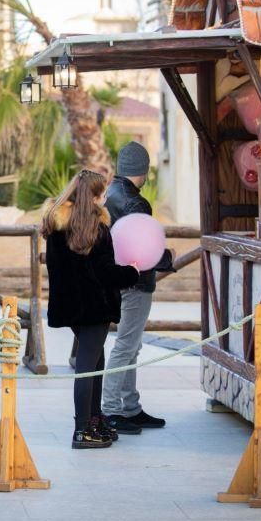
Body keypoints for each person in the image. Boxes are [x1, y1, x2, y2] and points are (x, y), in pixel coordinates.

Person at [42, 170, 139, 449]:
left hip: (71, 305)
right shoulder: (96, 229)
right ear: (95, 197)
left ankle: (95, 420)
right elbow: (105, 272)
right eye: (104, 193)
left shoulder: (57, 228)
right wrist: (131, 272)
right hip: (95, 306)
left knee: (95, 362)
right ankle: (83, 429)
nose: (106, 197)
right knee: (87, 367)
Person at [101, 141, 172, 434]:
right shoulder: (135, 201)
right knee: (126, 346)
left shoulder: (111, 194)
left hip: (120, 279)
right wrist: (166, 258)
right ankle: (112, 410)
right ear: (142, 171)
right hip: (137, 282)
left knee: (130, 345)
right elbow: (144, 244)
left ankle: (129, 407)